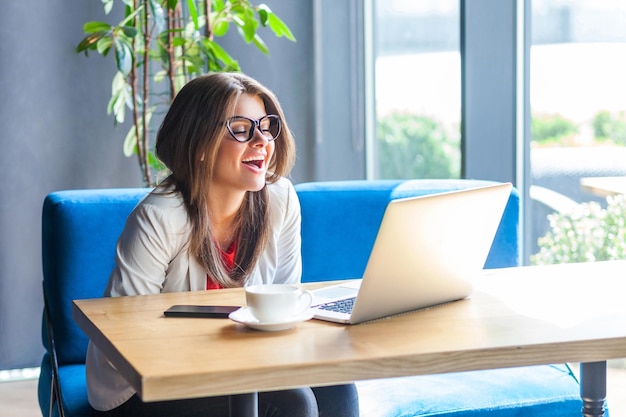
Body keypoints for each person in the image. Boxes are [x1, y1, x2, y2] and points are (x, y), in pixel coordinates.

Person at [85, 72, 359, 417]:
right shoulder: (160, 217)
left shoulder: (281, 199)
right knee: (291, 400)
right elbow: (124, 340)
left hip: (243, 361)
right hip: (141, 385)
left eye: (266, 125)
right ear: (200, 145)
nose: (262, 140)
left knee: (336, 383)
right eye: (242, 129)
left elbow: (286, 302)